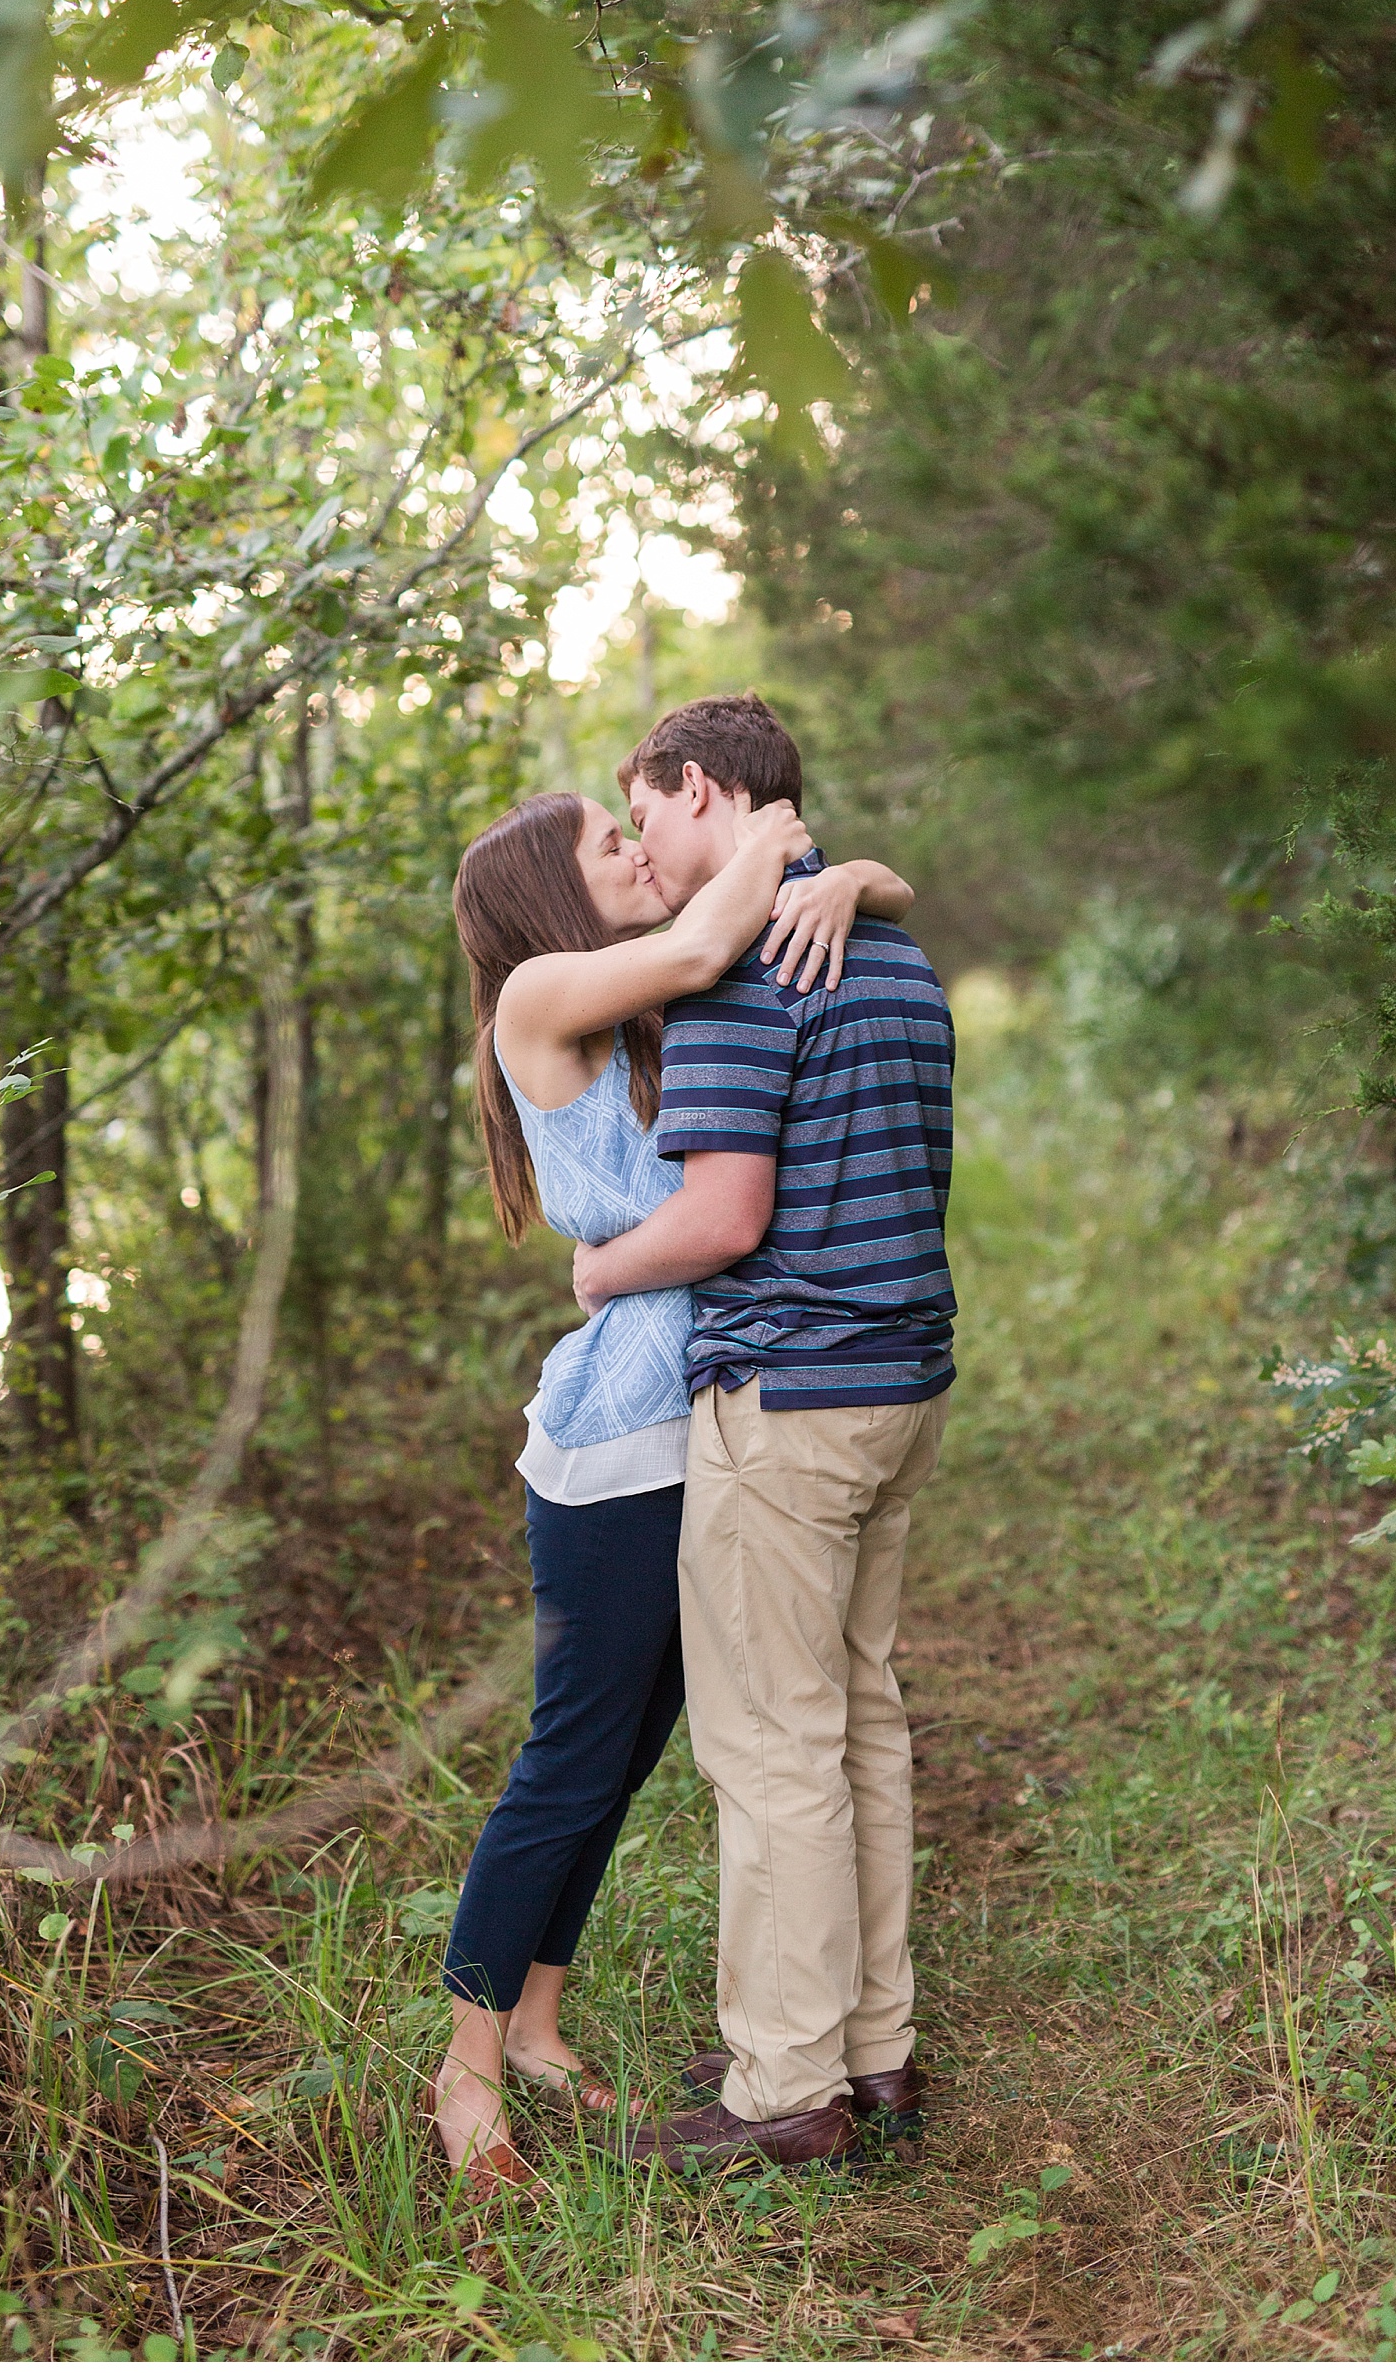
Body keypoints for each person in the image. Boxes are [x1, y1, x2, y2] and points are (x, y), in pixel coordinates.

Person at [428, 779, 915, 2198]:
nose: (638, 853)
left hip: (696, 1414)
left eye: (640, 831)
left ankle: (535, 2027)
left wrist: (849, 875)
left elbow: (808, 913)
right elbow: (711, 941)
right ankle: (461, 2070)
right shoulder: (539, 989)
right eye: (609, 843)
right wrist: (774, 840)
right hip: (616, 1441)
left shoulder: (635, 1002)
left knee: (630, 1750)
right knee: (567, 1758)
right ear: (547, 890)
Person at [572, 693, 957, 2177]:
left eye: (647, 812)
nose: (650, 848)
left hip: (791, 1397)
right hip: (901, 1385)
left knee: (771, 1744)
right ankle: (875, 2052)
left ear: (704, 788)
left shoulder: (746, 976)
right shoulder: (900, 955)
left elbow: (724, 1215)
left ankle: (785, 2086)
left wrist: (600, 1268)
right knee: (857, 1717)